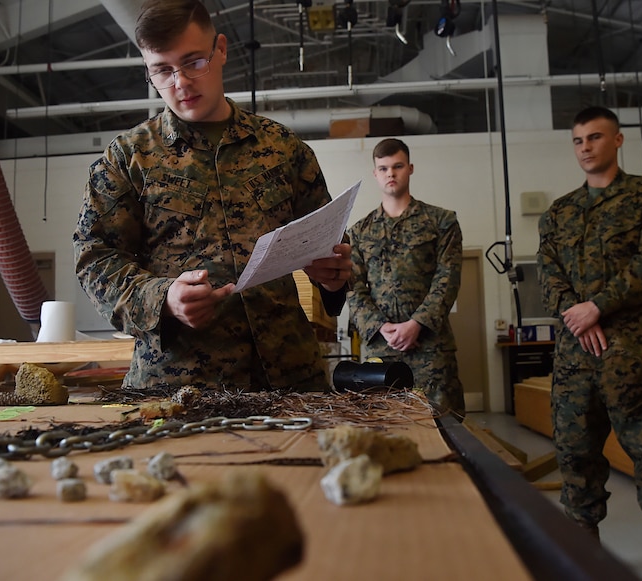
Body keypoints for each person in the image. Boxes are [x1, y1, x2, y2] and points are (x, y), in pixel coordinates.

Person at [73, 0, 352, 394]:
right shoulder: (127, 158)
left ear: (220, 49)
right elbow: (94, 259)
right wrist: (163, 298)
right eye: (162, 71)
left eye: (193, 63)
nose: (181, 82)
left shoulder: (283, 148)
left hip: (289, 379)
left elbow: (329, 238)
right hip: (178, 386)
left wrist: (333, 274)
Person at [537, 106, 642, 581]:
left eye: (594, 137)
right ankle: (582, 550)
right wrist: (578, 313)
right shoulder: (559, 212)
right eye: (577, 140)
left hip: (636, 356)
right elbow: (548, 278)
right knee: (575, 458)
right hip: (575, 360)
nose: (585, 147)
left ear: (618, 141)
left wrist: (598, 307)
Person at [347, 138, 465, 417]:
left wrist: (417, 324)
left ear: (410, 168)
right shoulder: (360, 231)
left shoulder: (441, 222)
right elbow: (352, 288)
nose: (391, 173)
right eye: (384, 168)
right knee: (384, 423)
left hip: (430, 348)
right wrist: (379, 325)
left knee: (443, 423)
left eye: (397, 166)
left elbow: (447, 278)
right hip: (381, 347)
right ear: (375, 173)